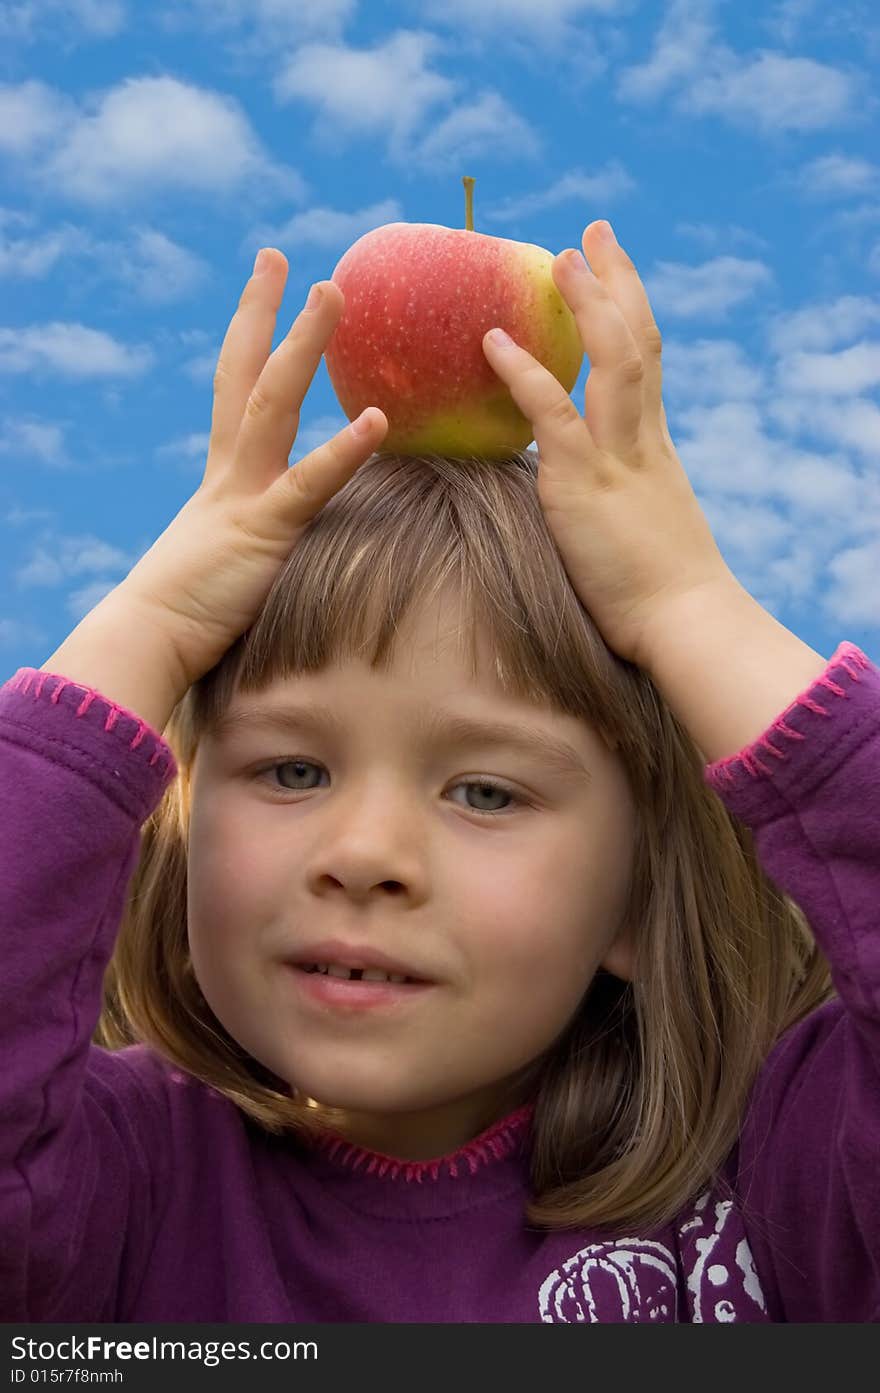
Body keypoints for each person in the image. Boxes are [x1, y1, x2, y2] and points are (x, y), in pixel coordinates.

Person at [1, 226, 876, 1324]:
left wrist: (691, 610)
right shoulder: (112, 1186)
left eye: (485, 792)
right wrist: (150, 622)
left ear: (639, 895)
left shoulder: (779, 1183)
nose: (363, 856)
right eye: (290, 769)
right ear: (175, 828)